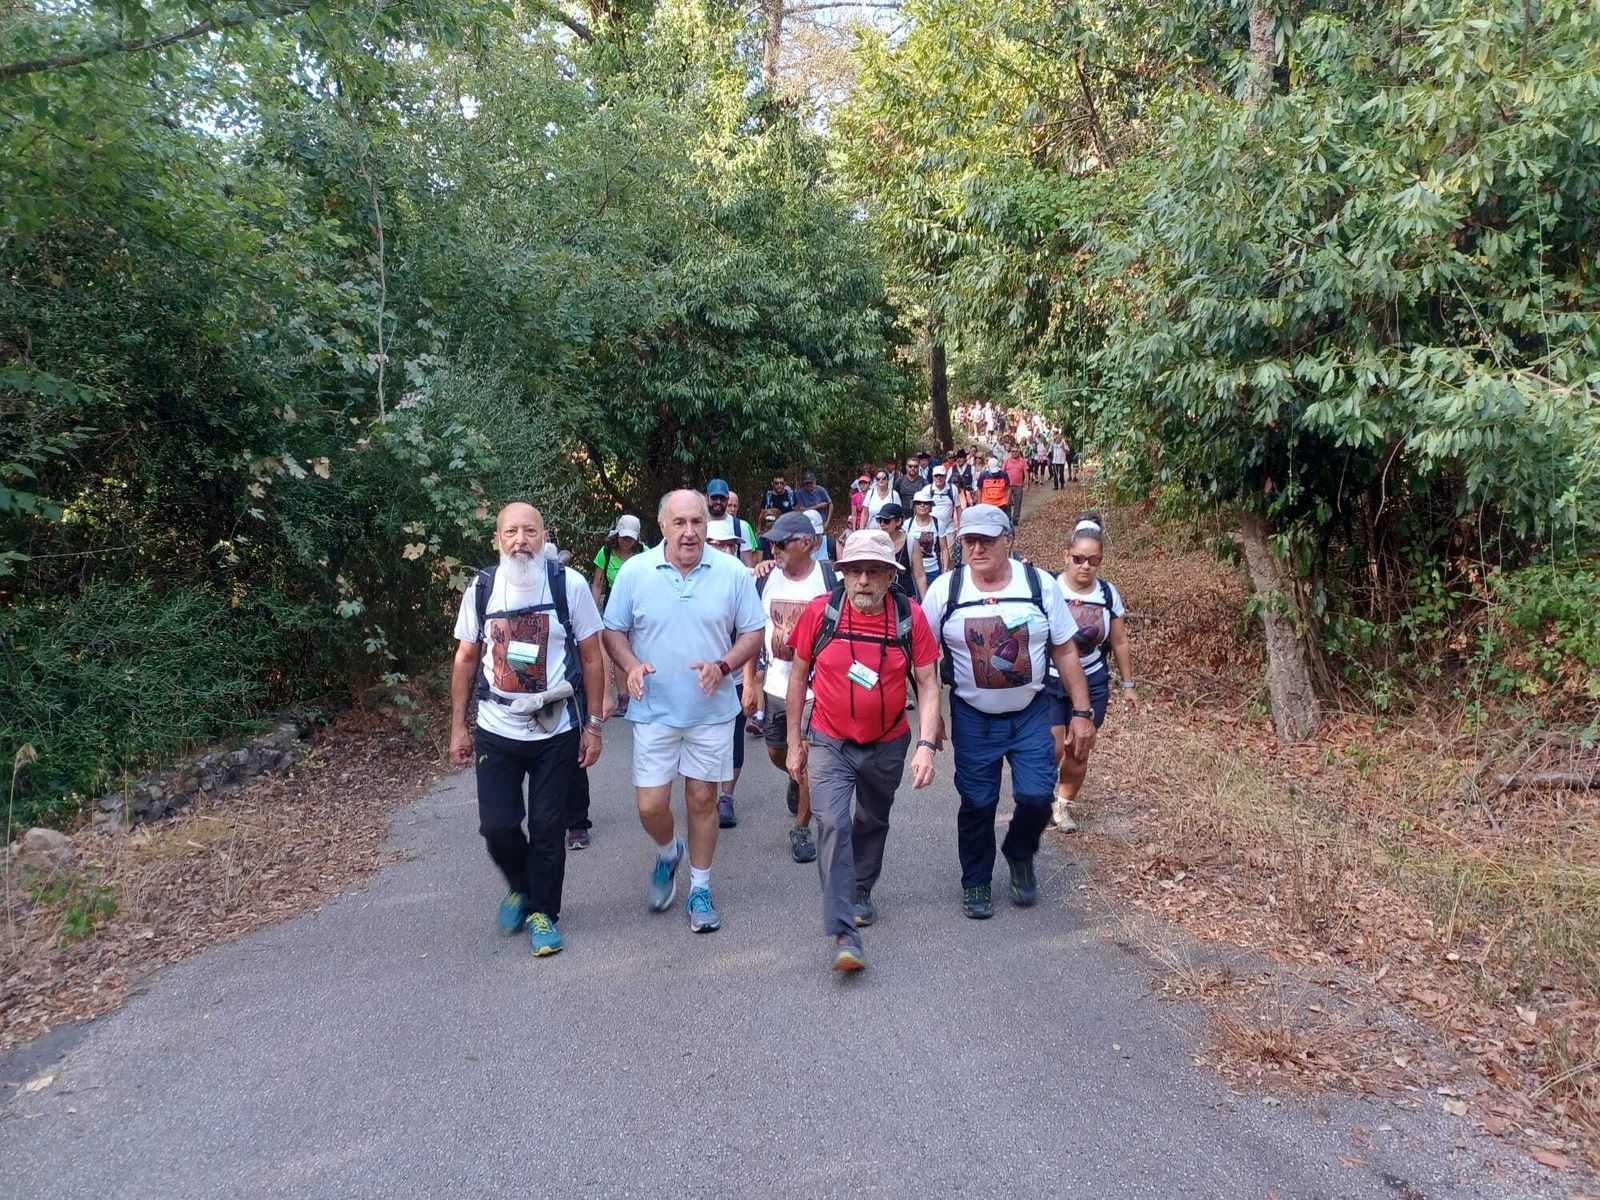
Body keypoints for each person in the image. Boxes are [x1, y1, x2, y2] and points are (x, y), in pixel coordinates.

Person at [921, 504, 1096, 920]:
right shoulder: (946, 589)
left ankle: (1020, 852)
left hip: (1031, 712)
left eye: (986, 540)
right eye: (969, 541)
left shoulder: (1038, 585)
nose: (976, 549)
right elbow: (923, 657)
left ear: (1008, 540)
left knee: (1036, 797)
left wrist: (1082, 712)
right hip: (973, 715)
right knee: (978, 801)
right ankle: (976, 880)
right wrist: (934, 714)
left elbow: (1065, 649)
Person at [601, 490, 765, 934]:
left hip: (711, 711)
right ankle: (668, 849)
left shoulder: (732, 572)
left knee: (702, 798)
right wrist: (631, 665)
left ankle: (700, 888)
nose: (690, 532)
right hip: (653, 709)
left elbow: (753, 631)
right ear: (663, 526)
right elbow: (613, 630)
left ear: (707, 525)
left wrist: (725, 666)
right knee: (650, 805)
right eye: (680, 523)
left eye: (697, 522)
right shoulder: (635, 572)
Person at [450, 503, 606, 957]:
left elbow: (593, 656)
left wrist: (593, 726)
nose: (521, 540)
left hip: (555, 729)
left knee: (547, 828)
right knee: (497, 827)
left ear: (543, 536)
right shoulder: (482, 588)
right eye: (511, 532)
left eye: (530, 531)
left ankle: (543, 912)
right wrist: (458, 726)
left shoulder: (568, 584)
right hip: (496, 727)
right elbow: (464, 658)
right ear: (497, 540)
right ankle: (519, 885)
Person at [784, 529, 941, 972]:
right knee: (832, 822)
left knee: (872, 818)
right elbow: (798, 677)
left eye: (874, 571)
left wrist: (926, 745)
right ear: (843, 574)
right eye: (855, 571)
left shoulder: (909, 618)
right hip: (830, 739)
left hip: (888, 741)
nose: (864, 580)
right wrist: (795, 743)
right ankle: (844, 933)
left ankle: (862, 888)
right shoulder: (821, 613)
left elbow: (929, 684)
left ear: (891, 576)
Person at [744, 511, 835, 864]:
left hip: (817, 690)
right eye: (772, 542)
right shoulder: (765, 581)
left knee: (808, 759)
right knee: (777, 753)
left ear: (808, 544)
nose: (774, 548)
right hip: (777, 686)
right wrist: (750, 681)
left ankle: (801, 825)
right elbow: (752, 633)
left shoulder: (829, 579)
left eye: (782, 543)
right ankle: (796, 779)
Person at [1047, 514, 1136, 831]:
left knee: (1078, 750)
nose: (1085, 566)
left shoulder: (1108, 594)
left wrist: (1129, 685)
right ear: (1066, 556)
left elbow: (1120, 641)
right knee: (1052, 747)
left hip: (1093, 681)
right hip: (1050, 681)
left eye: (1093, 560)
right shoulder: (1048, 587)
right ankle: (1040, 795)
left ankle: (1062, 806)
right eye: (1078, 558)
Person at [706, 518, 754, 828]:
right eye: (718, 544)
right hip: (697, 679)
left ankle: (727, 796)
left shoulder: (742, 579)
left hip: (733, 676)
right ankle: (703, 793)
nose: (725, 549)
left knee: (734, 737)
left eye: (730, 545)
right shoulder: (687, 579)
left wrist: (750, 682)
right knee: (702, 738)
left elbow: (752, 634)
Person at [591, 514, 643, 721]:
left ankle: (638, 690)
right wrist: (593, 611)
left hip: (640, 604)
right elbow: (597, 583)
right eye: (624, 536)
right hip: (614, 603)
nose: (626, 541)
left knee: (635, 648)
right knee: (615, 649)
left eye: (630, 538)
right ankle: (623, 696)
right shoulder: (606, 552)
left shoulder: (644, 553)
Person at [871, 502, 921, 599]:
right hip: (881, 597)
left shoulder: (911, 542)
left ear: (898, 521)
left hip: (906, 596)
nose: (882, 524)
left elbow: (920, 576)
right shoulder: (875, 542)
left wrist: (924, 605)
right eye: (879, 520)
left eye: (886, 521)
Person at [907, 494, 948, 593]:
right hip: (914, 572)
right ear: (914, 506)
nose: (922, 505)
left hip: (933, 570)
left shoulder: (938, 523)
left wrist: (945, 568)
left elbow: (944, 549)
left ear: (930, 506)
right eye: (919, 503)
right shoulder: (907, 524)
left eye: (926, 503)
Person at [1002, 445, 1029, 526]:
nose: (1014, 453)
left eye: (1016, 451)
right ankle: (1008, 517)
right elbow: (1002, 472)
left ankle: (1015, 518)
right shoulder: (1006, 461)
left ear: (1018, 452)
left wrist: (1026, 483)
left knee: (1017, 502)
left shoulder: (1022, 461)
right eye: (1013, 451)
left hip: (1018, 485)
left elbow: (1026, 473)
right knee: (1007, 503)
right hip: (1008, 486)